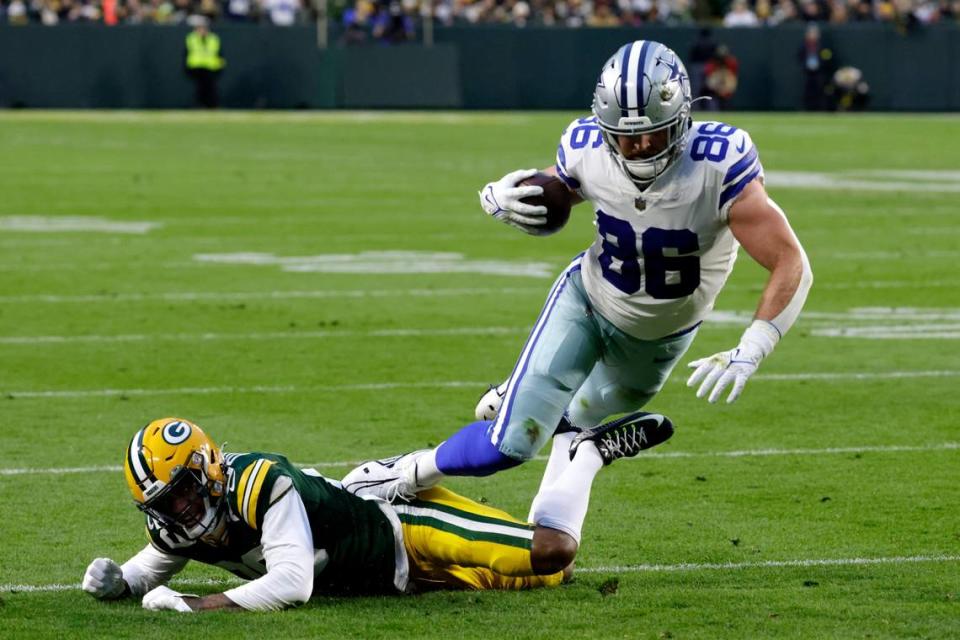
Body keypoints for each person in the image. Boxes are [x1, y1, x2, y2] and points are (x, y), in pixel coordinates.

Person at [347, 40, 813, 570]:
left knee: (569, 449)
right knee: (512, 443)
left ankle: (548, 412)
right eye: (624, 138)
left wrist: (754, 345)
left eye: (650, 135)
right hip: (586, 302)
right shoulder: (588, 146)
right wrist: (507, 193)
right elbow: (557, 191)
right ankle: (402, 472)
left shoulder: (719, 164)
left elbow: (790, 261)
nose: (636, 150)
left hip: (658, 341)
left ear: (682, 119)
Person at [81, 413, 670, 611]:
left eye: (182, 491)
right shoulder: (180, 524)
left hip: (403, 529)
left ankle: (586, 450)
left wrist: (194, 605)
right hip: (399, 581)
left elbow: (291, 583)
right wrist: (117, 580)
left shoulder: (260, 483)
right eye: (163, 503)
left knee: (554, 551)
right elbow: (148, 571)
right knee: (555, 578)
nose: (177, 511)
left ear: (207, 471)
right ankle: (566, 442)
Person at [184, 16, 225, 108]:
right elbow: (187, 53)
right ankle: (199, 106)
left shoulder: (213, 38)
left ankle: (212, 106)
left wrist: (220, 66)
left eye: (203, 28)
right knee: (199, 89)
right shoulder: (191, 38)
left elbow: (219, 54)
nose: (202, 30)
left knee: (211, 89)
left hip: (211, 68)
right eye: (200, 28)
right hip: (196, 68)